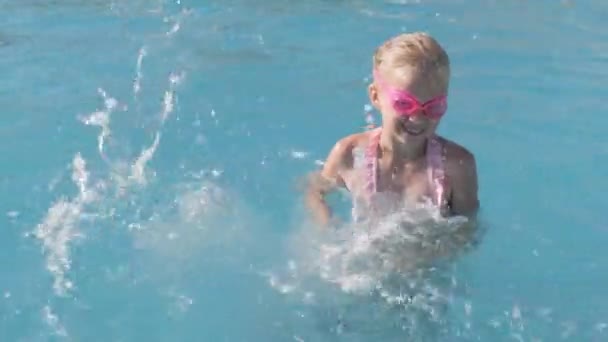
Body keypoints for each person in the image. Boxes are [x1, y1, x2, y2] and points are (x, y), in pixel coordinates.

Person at [306, 32, 479, 227]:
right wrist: (326, 222)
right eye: (404, 104)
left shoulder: (457, 166)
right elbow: (315, 190)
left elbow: (468, 227)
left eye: (433, 107)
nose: (417, 118)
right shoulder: (350, 154)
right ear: (375, 96)